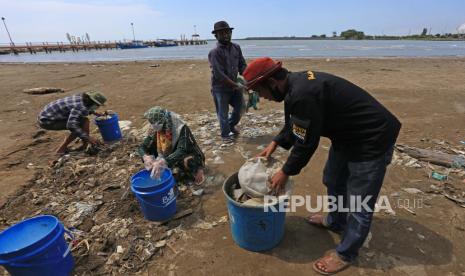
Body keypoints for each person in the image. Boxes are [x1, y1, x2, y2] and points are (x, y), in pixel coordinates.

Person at [243, 57, 401, 274]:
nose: (262, 97)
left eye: (259, 91)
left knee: (359, 201)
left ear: (271, 82)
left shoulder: (303, 93)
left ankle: (346, 253)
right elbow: (296, 124)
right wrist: (276, 142)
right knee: (333, 178)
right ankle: (336, 220)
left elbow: (306, 143)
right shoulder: (294, 85)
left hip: (372, 138)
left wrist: (285, 171)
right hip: (347, 135)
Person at [138, 107, 205, 185]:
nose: (151, 125)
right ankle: (169, 170)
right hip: (169, 156)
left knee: (189, 162)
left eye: (153, 123)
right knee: (147, 153)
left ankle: (198, 170)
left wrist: (163, 162)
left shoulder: (180, 128)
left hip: (185, 155)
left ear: (160, 122)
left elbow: (181, 150)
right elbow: (142, 147)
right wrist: (145, 157)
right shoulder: (155, 130)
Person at [208, 20, 247, 143]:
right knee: (222, 114)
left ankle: (230, 126)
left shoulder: (236, 47)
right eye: (222, 33)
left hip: (235, 86)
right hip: (220, 88)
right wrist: (236, 85)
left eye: (228, 32)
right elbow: (219, 74)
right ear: (216, 36)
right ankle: (225, 135)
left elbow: (242, 65)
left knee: (240, 109)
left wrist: (249, 77)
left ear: (231, 33)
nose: (226, 35)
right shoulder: (214, 53)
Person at [37, 91, 106, 155]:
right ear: (92, 103)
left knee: (84, 121)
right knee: (80, 124)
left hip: (49, 114)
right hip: (47, 121)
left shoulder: (83, 99)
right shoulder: (80, 107)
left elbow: (84, 109)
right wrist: (88, 137)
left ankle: (85, 144)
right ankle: (61, 150)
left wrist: (95, 113)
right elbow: (71, 125)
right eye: (97, 105)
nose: (98, 107)